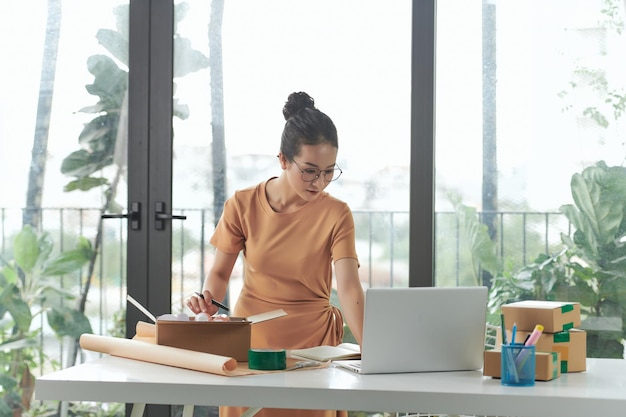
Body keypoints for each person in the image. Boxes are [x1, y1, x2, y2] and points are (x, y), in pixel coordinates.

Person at [187, 91, 364, 417]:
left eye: (328, 171)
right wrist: (209, 300)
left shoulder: (338, 213)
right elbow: (221, 273)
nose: (319, 182)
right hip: (253, 343)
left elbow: (350, 287)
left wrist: (373, 350)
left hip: (315, 348)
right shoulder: (242, 204)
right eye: (310, 170)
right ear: (283, 160)